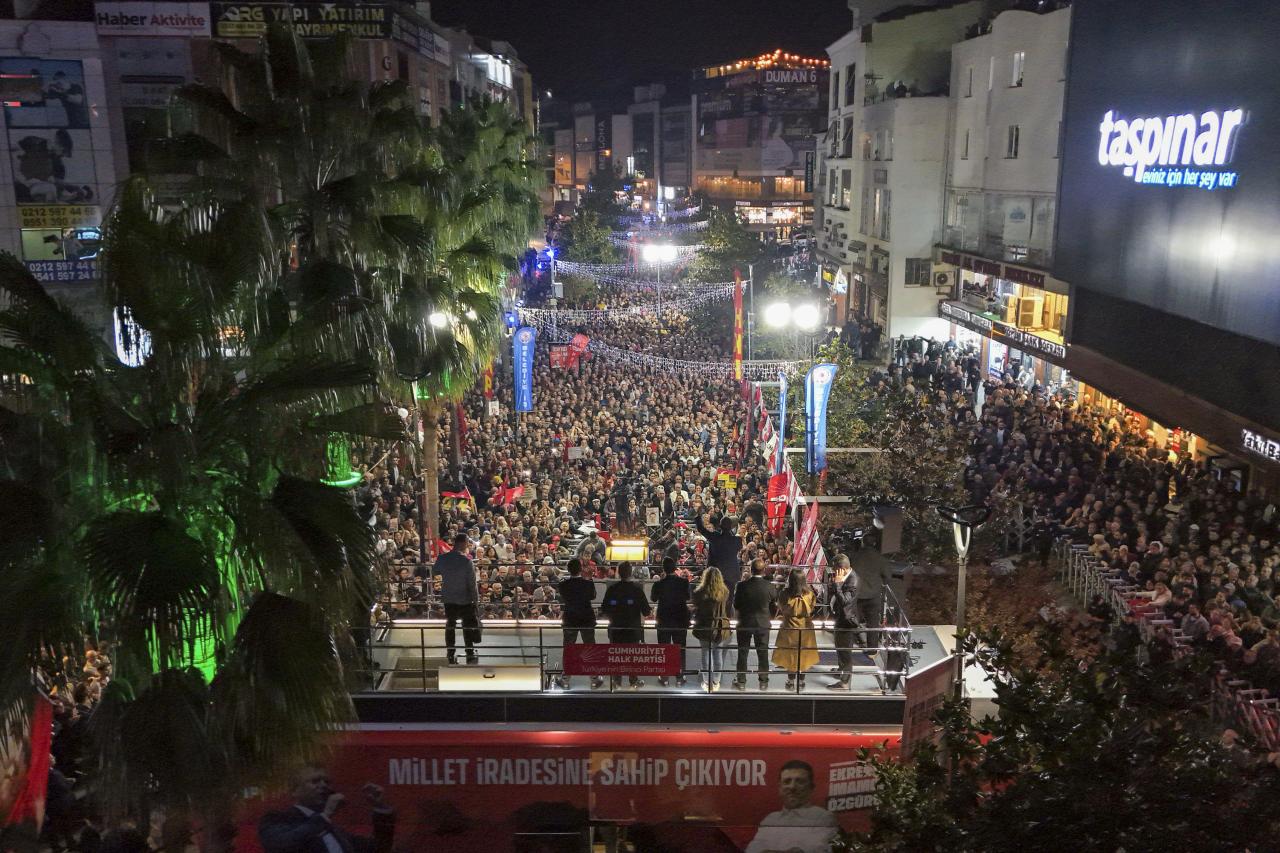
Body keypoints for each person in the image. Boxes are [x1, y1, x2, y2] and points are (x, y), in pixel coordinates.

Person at [259, 766, 395, 853]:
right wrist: (325, 815)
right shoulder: (278, 818)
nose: (323, 786)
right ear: (294, 790)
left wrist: (380, 808)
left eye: (326, 782)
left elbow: (379, 848)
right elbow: (279, 846)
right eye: (315, 781)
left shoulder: (334, 830)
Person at [744, 760, 839, 853]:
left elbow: (816, 849)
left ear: (811, 788)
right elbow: (752, 850)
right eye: (787, 781)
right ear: (780, 788)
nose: (792, 787)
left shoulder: (823, 817)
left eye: (800, 781)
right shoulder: (770, 819)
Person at [601, 561, 652, 689]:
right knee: (633, 656)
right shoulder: (637, 590)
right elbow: (646, 611)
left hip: (615, 629)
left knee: (616, 655)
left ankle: (616, 681)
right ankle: (633, 680)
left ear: (618, 572)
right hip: (633, 630)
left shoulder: (612, 589)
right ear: (631, 573)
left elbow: (604, 609)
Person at [557, 557, 602, 689]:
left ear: (568, 570)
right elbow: (593, 596)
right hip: (586, 619)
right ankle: (594, 677)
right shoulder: (588, 584)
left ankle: (565, 678)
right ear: (581, 569)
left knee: (569, 648)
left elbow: (564, 597)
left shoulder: (563, 584)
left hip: (570, 619)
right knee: (590, 647)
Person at [436, 532, 480, 665]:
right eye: (467, 542)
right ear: (463, 543)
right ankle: (469, 652)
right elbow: (472, 584)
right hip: (465, 598)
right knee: (467, 625)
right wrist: (476, 600)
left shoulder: (443, 558)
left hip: (448, 597)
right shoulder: (467, 561)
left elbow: (435, 571)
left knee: (450, 624)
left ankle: (450, 652)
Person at [734, 558, 777, 691]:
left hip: (745, 622)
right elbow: (774, 606)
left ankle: (741, 682)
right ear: (764, 571)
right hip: (763, 623)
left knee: (742, 653)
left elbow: (736, 605)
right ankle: (763, 682)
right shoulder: (770, 586)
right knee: (763, 653)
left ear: (751, 570)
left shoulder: (741, 585)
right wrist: (769, 616)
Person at [773, 569, 819, 691]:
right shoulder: (810, 594)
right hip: (805, 629)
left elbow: (781, 608)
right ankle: (802, 681)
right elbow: (813, 608)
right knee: (804, 655)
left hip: (789, 628)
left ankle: (790, 681)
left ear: (790, 580)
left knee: (791, 656)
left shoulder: (784, 593)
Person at [650, 556, 691, 686]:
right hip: (680, 619)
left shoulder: (658, 584)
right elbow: (687, 597)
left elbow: (653, 598)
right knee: (680, 648)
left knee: (665, 648)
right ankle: (680, 676)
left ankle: (665, 677)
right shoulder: (684, 582)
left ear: (664, 569)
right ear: (675, 568)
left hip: (664, 620)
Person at [691, 566, 731, 692]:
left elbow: (696, 606)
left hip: (704, 626)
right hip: (720, 627)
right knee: (717, 654)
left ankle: (706, 682)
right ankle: (716, 682)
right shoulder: (725, 592)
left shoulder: (699, 592)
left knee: (705, 654)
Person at [696, 512, 743, 613]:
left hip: (715, 574)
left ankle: (715, 620)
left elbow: (701, 529)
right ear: (731, 527)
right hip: (731, 575)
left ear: (720, 526)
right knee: (728, 601)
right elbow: (739, 547)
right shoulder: (737, 540)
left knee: (714, 599)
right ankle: (726, 622)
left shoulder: (714, 537)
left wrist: (697, 515)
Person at [827, 554, 861, 690]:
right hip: (841, 618)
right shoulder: (846, 577)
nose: (833, 573)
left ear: (841, 569)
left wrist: (838, 585)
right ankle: (841, 670)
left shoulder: (852, 581)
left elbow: (845, 601)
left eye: (835, 570)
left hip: (847, 621)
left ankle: (844, 682)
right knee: (839, 646)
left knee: (845, 651)